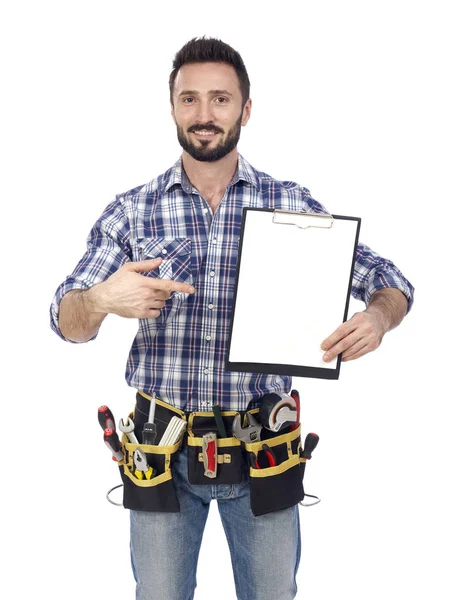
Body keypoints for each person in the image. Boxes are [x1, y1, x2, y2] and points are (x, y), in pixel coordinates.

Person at [50, 36, 414, 600]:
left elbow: (389, 280)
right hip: (160, 456)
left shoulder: (290, 205)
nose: (204, 114)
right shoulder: (132, 210)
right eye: (189, 99)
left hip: (264, 451)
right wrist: (100, 300)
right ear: (171, 107)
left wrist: (377, 318)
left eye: (220, 99)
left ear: (245, 109)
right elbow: (66, 318)